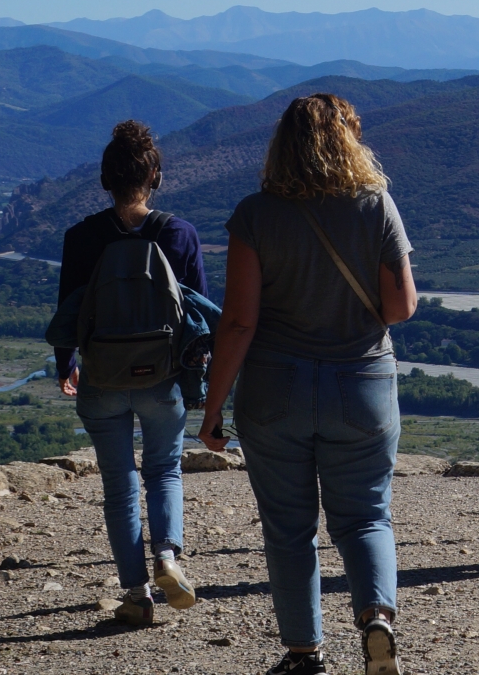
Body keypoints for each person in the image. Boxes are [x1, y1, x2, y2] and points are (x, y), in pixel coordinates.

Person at [199, 94, 420, 675]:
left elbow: (240, 321)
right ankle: (376, 617)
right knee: (367, 516)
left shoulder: (255, 215)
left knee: (289, 528)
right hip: (363, 385)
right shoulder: (377, 204)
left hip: (275, 391)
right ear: (348, 141)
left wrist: (212, 406)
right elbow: (400, 307)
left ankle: (304, 652)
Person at [53, 120, 204, 627]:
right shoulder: (179, 234)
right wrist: (197, 380)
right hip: (160, 381)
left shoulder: (81, 238)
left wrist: (65, 366)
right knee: (164, 470)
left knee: (119, 485)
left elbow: (67, 315)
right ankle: (166, 556)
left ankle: (136, 593)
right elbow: (200, 318)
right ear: (155, 176)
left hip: (101, 380)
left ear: (104, 180)